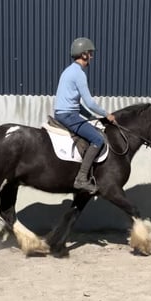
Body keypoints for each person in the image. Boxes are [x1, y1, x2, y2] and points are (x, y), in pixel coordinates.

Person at [53, 37, 117, 193]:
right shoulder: (79, 74)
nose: (91, 57)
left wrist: (90, 117)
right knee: (97, 139)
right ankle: (81, 178)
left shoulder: (68, 71)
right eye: (90, 53)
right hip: (68, 116)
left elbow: (76, 104)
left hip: (64, 113)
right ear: (83, 55)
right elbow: (90, 102)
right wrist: (107, 115)